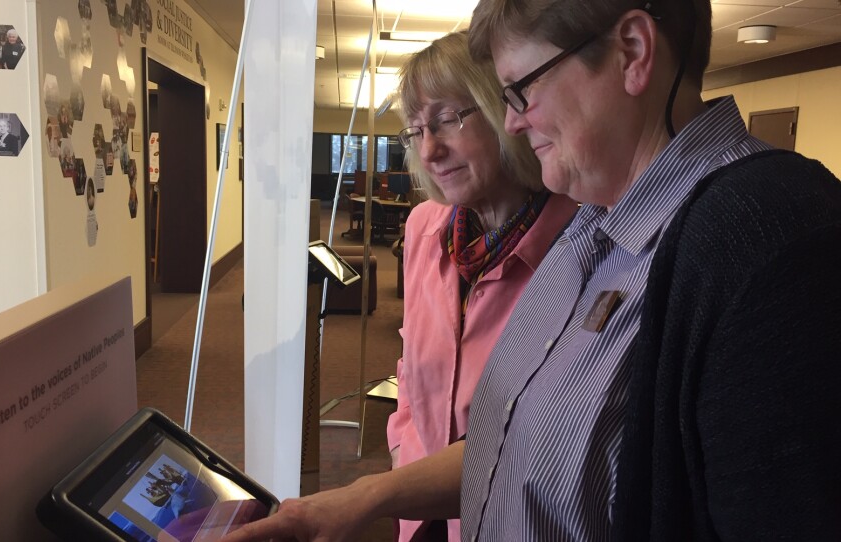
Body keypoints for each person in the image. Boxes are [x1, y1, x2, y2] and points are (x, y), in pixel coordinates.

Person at [222, 0, 841, 540]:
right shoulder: (593, 229)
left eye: (521, 89)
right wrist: (363, 499)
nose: (512, 120)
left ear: (632, 52)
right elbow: (509, 447)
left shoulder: (771, 238)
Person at [388, 32, 577, 542]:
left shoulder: (581, 241)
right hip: (419, 513)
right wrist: (405, 464)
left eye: (449, 118)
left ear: (506, 112)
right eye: (416, 129)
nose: (430, 149)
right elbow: (410, 376)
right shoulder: (424, 229)